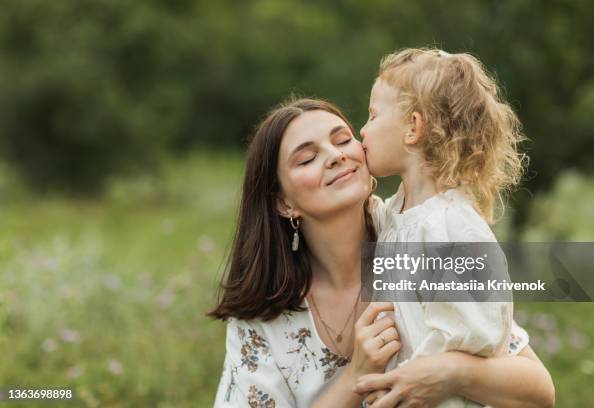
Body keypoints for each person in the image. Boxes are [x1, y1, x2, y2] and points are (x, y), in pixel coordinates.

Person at [208, 98, 554, 407]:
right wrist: (355, 376)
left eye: (343, 140)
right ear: (284, 203)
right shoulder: (261, 317)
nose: (336, 155)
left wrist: (451, 372)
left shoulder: (420, 241)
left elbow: (538, 391)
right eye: (308, 158)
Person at [359, 47, 528, 407]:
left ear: (412, 128)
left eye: (372, 116)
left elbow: (469, 339)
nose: (362, 130)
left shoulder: (451, 228)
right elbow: (374, 218)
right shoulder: (404, 210)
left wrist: (399, 383)